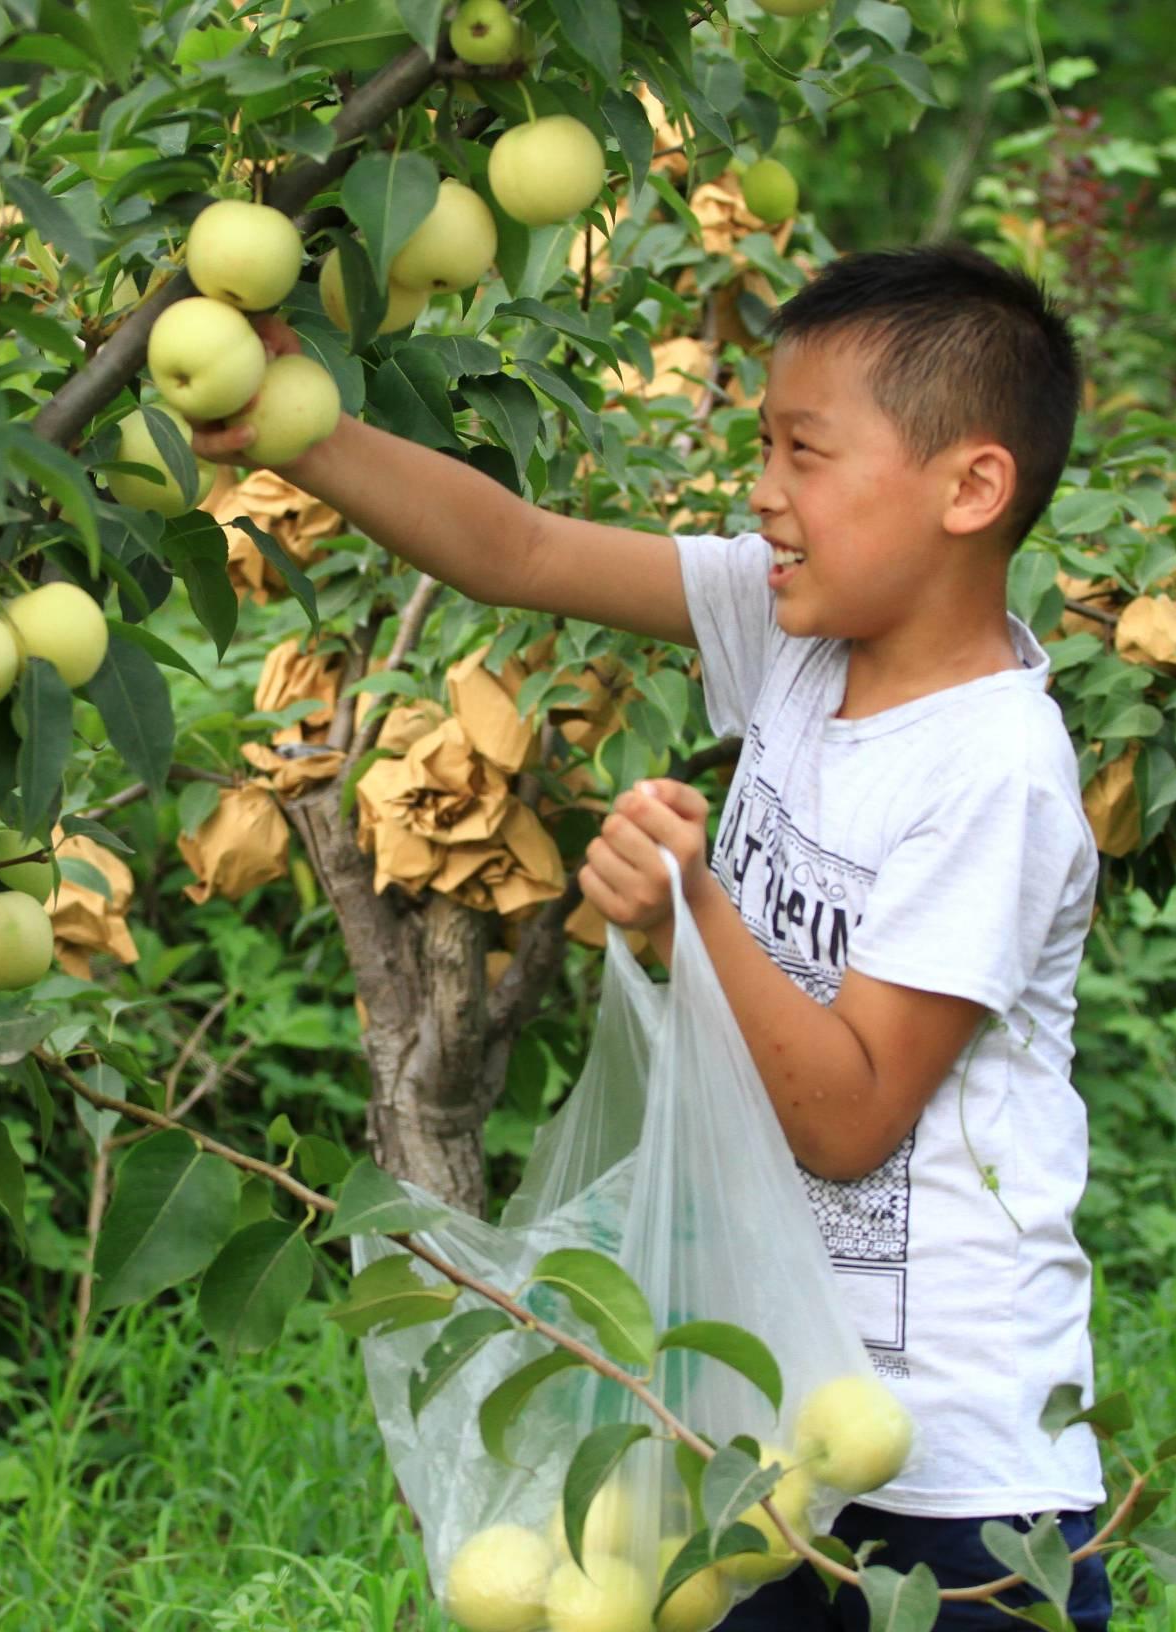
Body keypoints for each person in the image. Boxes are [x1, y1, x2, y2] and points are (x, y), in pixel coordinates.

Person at [190, 242, 1112, 1630]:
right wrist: (292, 420)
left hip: (945, 1478)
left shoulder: (993, 772)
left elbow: (851, 1117)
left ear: (968, 487)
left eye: (805, 453)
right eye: (761, 447)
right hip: (751, 1416)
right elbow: (518, 551)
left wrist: (696, 916)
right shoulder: (794, 631)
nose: (763, 493)